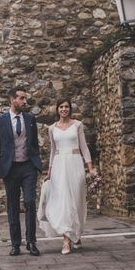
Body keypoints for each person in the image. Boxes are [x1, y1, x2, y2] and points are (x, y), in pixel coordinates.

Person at [0, 86, 42, 256]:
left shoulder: (30, 119)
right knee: (12, 206)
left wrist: (36, 163)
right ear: (12, 100)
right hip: (10, 169)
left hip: (28, 167)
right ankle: (15, 244)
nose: (25, 101)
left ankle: (31, 242)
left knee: (30, 202)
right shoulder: (0, 120)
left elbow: (34, 144)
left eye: (25, 98)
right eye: (22, 98)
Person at [39, 99, 95, 254]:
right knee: (63, 201)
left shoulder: (77, 125)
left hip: (75, 164)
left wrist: (90, 168)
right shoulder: (52, 128)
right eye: (61, 107)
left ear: (70, 109)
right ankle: (66, 240)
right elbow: (52, 151)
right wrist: (49, 172)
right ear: (57, 110)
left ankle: (75, 234)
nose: (64, 109)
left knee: (76, 200)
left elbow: (84, 147)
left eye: (66, 107)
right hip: (58, 166)